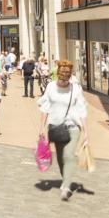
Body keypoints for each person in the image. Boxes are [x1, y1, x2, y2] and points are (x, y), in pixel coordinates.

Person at [38, 61, 88, 201]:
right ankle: (65, 177)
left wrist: (86, 132)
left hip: (73, 127)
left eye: (66, 80)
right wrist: (42, 127)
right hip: (56, 127)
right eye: (61, 79)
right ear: (57, 76)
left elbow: (82, 110)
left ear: (69, 78)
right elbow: (45, 108)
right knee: (60, 158)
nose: (63, 82)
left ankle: (66, 187)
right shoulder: (51, 87)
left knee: (68, 155)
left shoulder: (75, 89)